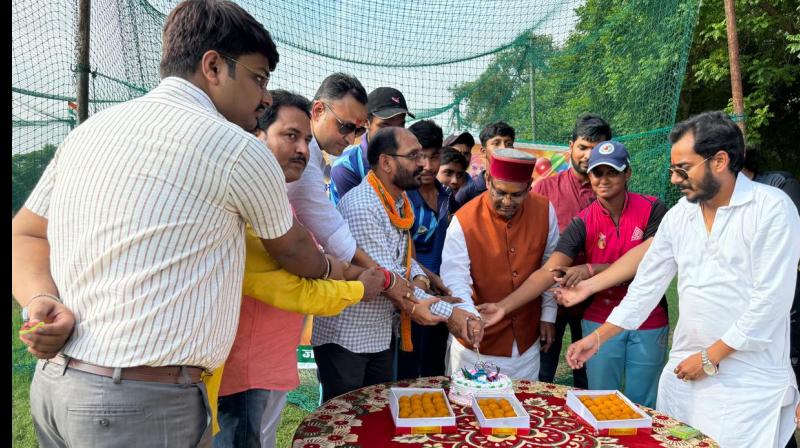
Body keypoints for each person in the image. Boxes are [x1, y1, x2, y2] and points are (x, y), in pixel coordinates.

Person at [12, 1, 337, 446]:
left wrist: (39, 298)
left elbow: (25, 232)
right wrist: (339, 271)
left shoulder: (90, 131)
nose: (265, 98)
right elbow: (295, 251)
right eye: (260, 78)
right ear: (214, 66)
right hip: (142, 405)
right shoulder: (237, 148)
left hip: (57, 389)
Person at [565, 111, 800, 446]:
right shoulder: (679, 217)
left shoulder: (772, 208)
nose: (674, 179)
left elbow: (771, 302)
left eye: (683, 169)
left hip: (747, 381)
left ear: (720, 161)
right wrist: (599, 338)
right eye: (673, 169)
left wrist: (710, 358)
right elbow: (644, 288)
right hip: (685, 374)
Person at [213, 91, 385, 448]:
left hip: (265, 367)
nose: (304, 150)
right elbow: (293, 287)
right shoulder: (249, 212)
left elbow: (312, 264)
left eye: (307, 139)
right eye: (290, 135)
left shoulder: (276, 204)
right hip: (246, 373)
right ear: (257, 135)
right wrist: (360, 286)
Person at [481, 141, 669, 407]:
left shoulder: (653, 209)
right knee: (602, 403)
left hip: (649, 318)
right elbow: (549, 271)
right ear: (589, 176)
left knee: (645, 402)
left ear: (627, 173)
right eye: (597, 173)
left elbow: (651, 263)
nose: (603, 180)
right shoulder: (583, 220)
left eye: (612, 172)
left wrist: (589, 271)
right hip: (599, 320)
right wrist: (503, 306)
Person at [312, 127, 481, 402]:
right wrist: (451, 314)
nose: (424, 164)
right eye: (414, 156)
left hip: (378, 333)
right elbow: (387, 277)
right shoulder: (363, 206)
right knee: (343, 424)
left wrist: (423, 279)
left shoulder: (397, 201)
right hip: (347, 338)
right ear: (387, 162)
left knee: (375, 418)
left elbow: (402, 255)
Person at [284, 73, 420, 316]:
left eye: (356, 130)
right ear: (317, 111)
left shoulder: (316, 156)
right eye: (345, 126)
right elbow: (334, 234)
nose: (350, 138)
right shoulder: (313, 164)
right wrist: (388, 280)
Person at [441, 148, 559, 380]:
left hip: (526, 341)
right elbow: (455, 277)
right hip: (476, 344)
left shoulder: (545, 211)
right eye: (500, 192)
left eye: (516, 195)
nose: (507, 201)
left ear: (530, 187)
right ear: (487, 181)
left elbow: (550, 266)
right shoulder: (463, 220)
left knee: (523, 408)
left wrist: (548, 314)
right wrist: (469, 318)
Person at [534, 114, 611, 388]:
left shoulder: (610, 192)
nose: (589, 155)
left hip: (595, 296)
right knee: (542, 371)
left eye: (597, 148)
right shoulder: (544, 189)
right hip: (550, 296)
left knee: (588, 373)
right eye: (583, 147)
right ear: (571, 146)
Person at [396, 119, 452, 379]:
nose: (428, 166)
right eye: (421, 157)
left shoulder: (446, 195)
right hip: (411, 296)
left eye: (435, 156)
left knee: (435, 369)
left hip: (443, 294)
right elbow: (404, 251)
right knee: (408, 372)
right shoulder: (403, 198)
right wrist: (430, 279)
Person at [329, 87, 414, 204]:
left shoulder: (405, 159)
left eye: (401, 125)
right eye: (385, 126)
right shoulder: (346, 167)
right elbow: (357, 217)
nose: (394, 134)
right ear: (366, 122)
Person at [451, 121, 516, 211]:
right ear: (483, 151)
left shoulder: (521, 188)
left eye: (508, 144)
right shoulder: (468, 193)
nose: (504, 148)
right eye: (496, 143)